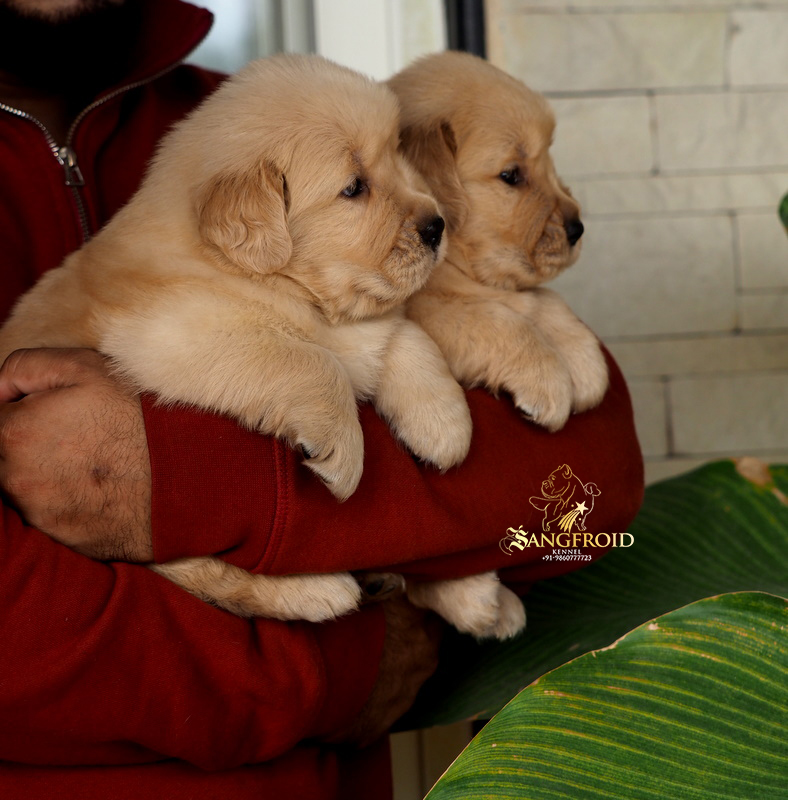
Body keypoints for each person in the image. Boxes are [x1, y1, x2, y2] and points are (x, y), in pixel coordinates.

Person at [0, 0, 645, 797]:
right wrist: (337, 672)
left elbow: (590, 489)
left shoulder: (275, 112)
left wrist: (189, 479)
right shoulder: (255, 160)